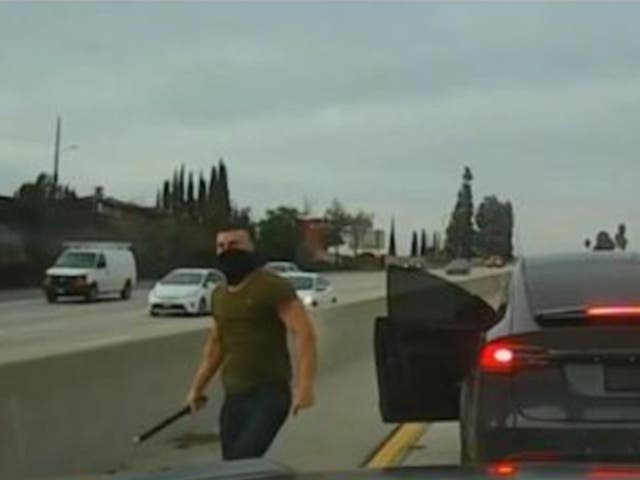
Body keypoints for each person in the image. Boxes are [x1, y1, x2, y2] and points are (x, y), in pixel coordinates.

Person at [185, 223, 317, 460]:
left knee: (242, 461)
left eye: (234, 244)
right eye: (221, 246)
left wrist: (304, 386)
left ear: (251, 247)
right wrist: (197, 387)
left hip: (269, 393)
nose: (227, 250)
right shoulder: (219, 295)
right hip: (234, 395)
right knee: (231, 466)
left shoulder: (271, 286)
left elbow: (304, 333)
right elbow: (216, 344)